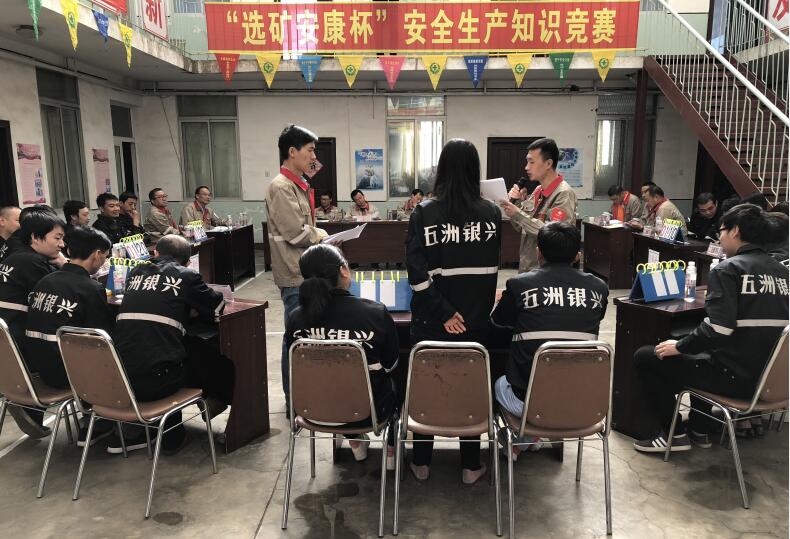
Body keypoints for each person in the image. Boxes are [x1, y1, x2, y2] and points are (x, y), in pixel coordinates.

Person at [632, 204, 789, 453]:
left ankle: (673, 435)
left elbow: (719, 329)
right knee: (701, 351)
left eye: (722, 231)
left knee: (649, 355)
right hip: (771, 381)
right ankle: (700, 429)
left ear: (735, 231)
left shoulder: (729, 269)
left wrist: (679, 346)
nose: (719, 237)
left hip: (734, 378)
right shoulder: (782, 273)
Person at [405, 138, 501, 485]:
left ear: (441, 170)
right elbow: (490, 274)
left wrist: (444, 313)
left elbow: (417, 274)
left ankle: (421, 462)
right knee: (468, 389)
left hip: (431, 322)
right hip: (475, 323)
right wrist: (465, 316)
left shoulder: (424, 212)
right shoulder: (491, 214)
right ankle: (470, 466)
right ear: (475, 171)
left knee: (428, 387)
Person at [491, 222, 609, 460]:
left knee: (497, 379)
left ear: (538, 253)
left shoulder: (520, 285)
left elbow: (498, 322)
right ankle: (527, 439)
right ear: (577, 255)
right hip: (582, 402)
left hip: (528, 403)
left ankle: (520, 440)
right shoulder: (599, 288)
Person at [113, 234, 230, 454]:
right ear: (188, 261)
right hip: (158, 380)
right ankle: (173, 435)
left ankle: (138, 429)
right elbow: (217, 306)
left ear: (155, 253)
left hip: (119, 376)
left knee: (172, 346)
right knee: (204, 354)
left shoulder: (135, 272)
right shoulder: (186, 275)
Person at [285, 244, 399, 466]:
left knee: (332, 380)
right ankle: (391, 451)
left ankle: (355, 442)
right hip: (369, 412)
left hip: (312, 410)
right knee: (398, 380)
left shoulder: (296, 319)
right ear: (343, 270)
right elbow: (391, 363)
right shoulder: (374, 313)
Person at [264, 125, 328, 411]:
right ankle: (295, 402)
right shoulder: (281, 187)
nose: (314, 156)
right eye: (310, 150)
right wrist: (323, 236)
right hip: (293, 273)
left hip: (305, 270)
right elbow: (295, 233)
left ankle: (308, 394)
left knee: (307, 334)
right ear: (292, 152)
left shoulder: (298, 184)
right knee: (295, 338)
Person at [0, 211, 66, 438]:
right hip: (21, 338)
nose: (62, 244)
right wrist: (65, 266)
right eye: (57, 238)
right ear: (36, 238)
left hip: (7, 338)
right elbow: (57, 297)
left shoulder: (15, 256)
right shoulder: (33, 262)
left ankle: (23, 398)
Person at [25, 226, 113, 389]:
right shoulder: (90, 288)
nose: (104, 262)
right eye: (105, 257)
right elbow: (102, 338)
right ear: (97, 254)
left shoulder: (45, 281)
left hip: (38, 368)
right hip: (70, 373)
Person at [500, 138, 578, 272]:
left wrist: (517, 213)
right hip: (528, 267)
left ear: (548, 163)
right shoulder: (538, 191)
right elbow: (521, 227)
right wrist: (515, 204)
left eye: (531, 162)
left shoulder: (564, 193)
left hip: (548, 272)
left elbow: (554, 236)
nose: (526, 167)